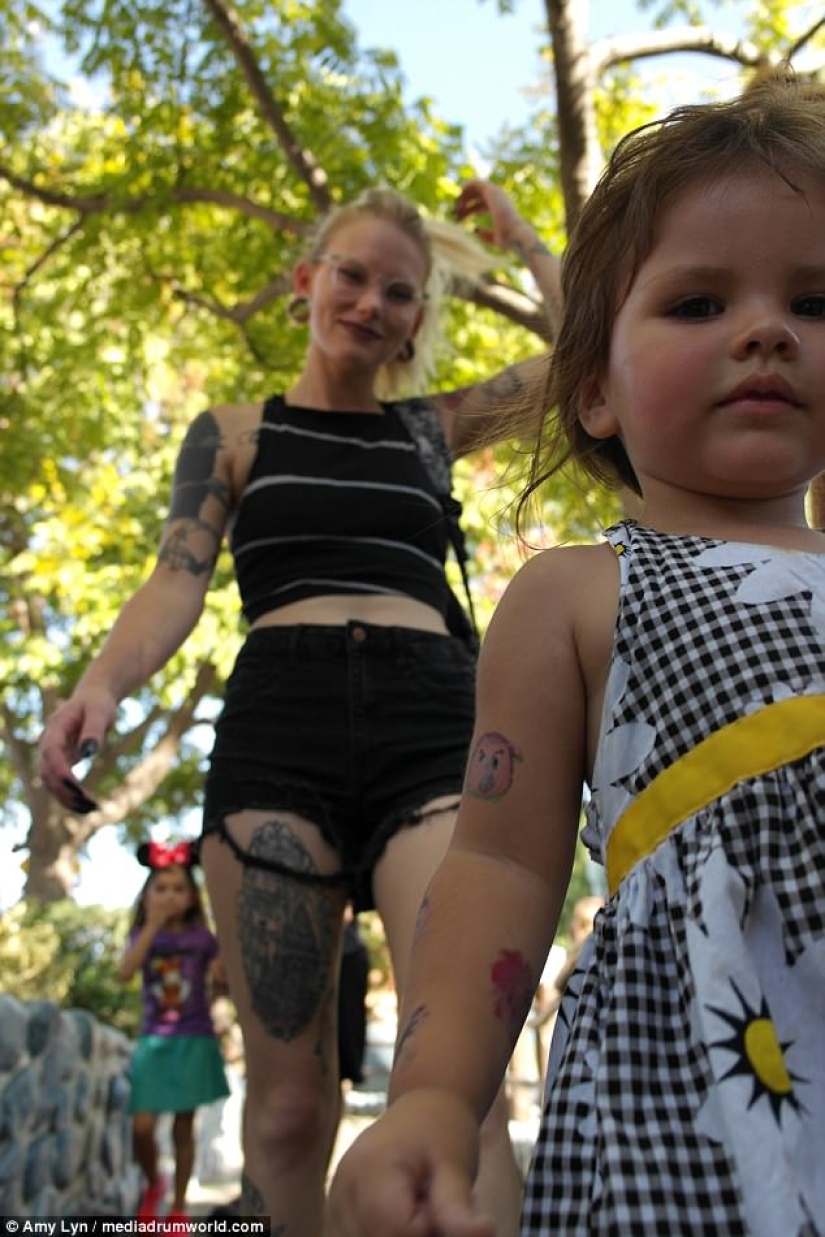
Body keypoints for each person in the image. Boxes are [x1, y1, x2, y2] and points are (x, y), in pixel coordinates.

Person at [325, 76, 825, 1236]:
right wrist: (438, 1097)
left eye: (817, 297)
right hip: (693, 1093)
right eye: (699, 303)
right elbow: (498, 863)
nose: (766, 330)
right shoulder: (578, 590)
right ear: (592, 388)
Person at [38, 177, 561, 1235]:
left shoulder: (430, 430)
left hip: (432, 734)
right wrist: (99, 681)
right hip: (279, 732)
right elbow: (177, 578)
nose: (372, 302)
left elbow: (585, 353)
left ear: (418, 318)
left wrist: (522, 239)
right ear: (307, 280)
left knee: (457, 1078)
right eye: (353, 275)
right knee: (285, 1110)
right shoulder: (231, 434)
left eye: (400, 291)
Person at [119, 840, 230, 1225]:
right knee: (142, 1125)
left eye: (179, 888)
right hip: (154, 1039)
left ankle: (178, 1210)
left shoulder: (202, 937)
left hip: (195, 1039)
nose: (169, 895)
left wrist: (222, 973)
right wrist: (151, 925)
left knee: (185, 1127)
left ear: (193, 897)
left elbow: (223, 978)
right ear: (146, 896)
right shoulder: (144, 936)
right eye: (160, 888)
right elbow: (124, 972)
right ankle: (155, 1184)